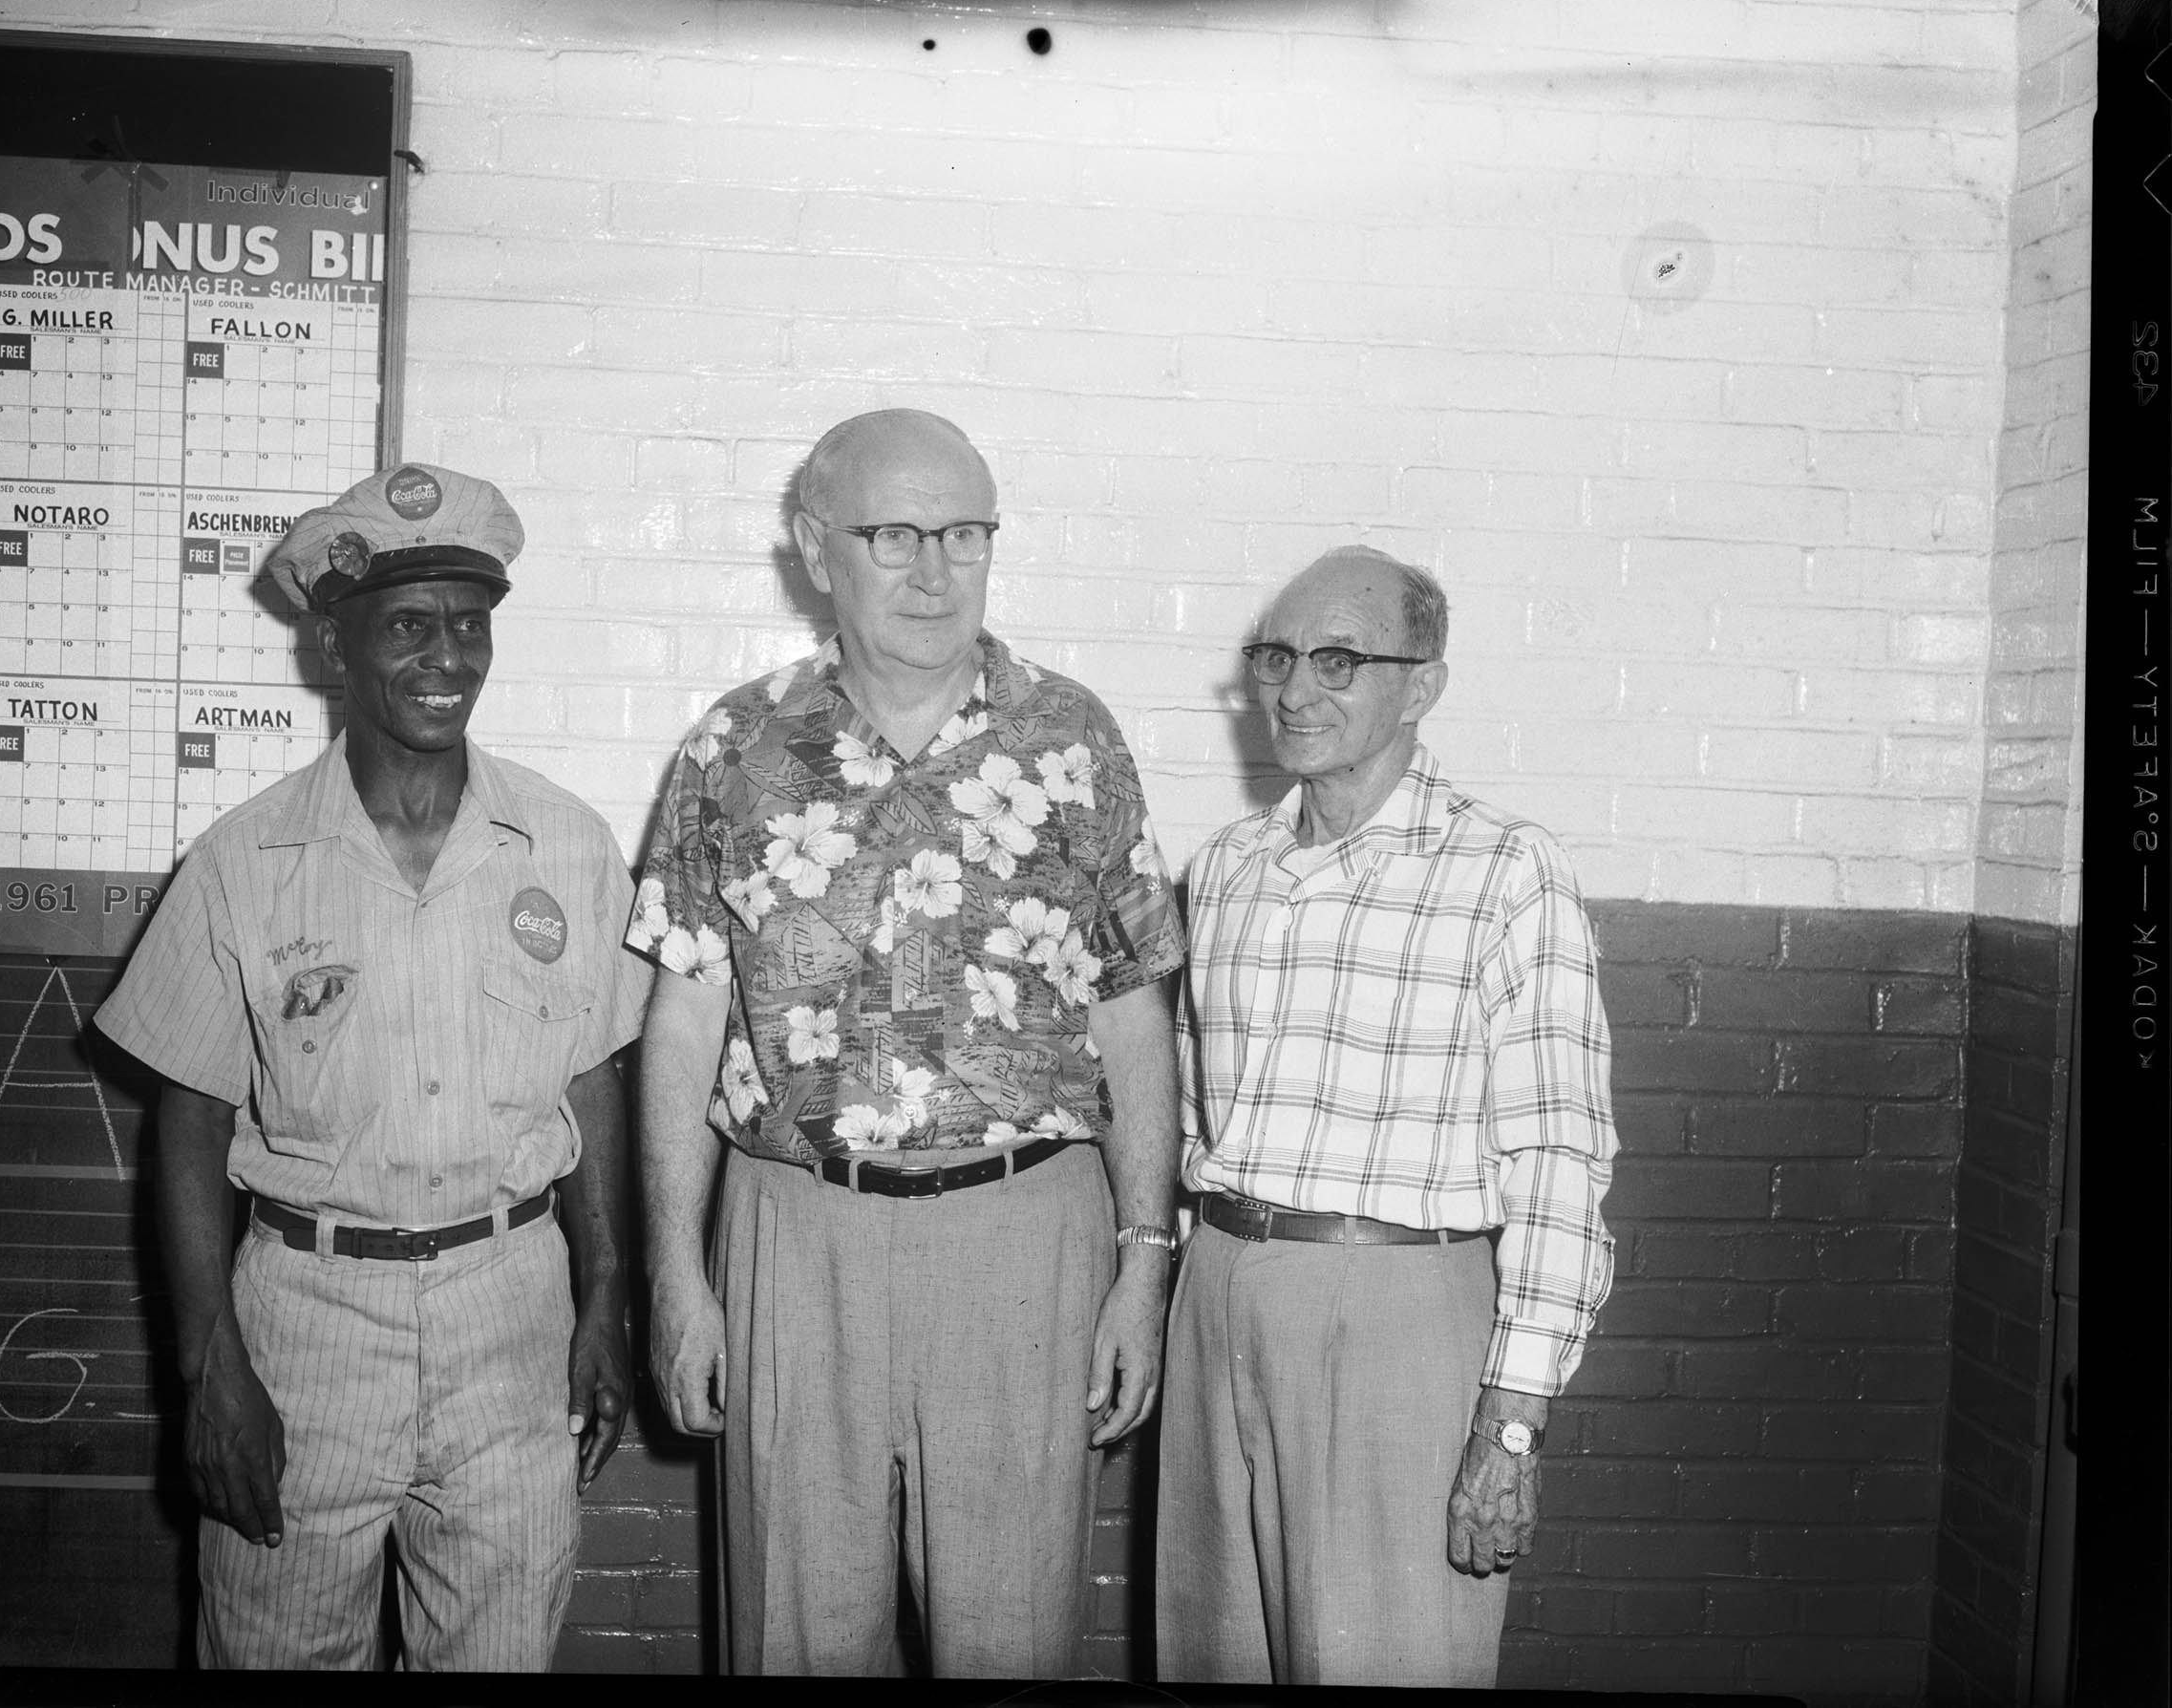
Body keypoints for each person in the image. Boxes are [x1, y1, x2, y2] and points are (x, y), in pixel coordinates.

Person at [629, 408, 1185, 1677]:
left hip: (1021, 1239)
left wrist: (1145, 1264)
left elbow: (1132, 1012)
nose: (937, 569)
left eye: (966, 533)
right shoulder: (736, 746)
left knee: (1011, 1637)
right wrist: (675, 1271)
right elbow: (680, 1019)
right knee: (793, 1635)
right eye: (896, 534)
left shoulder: (1074, 740)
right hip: (792, 1232)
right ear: (815, 549)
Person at [95, 463, 650, 1669]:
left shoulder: (566, 841)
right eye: (408, 626)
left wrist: (606, 1293)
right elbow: (187, 1125)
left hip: (513, 1311)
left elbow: (594, 1081)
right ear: (334, 642)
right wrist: (212, 1368)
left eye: (469, 624)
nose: (446, 657)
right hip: (306, 1323)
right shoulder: (245, 860)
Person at [1157, 545, 1617, 1688]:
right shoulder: (1223, 868)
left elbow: (1560, 1157)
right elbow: (1187, 1111)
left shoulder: (1510, 872)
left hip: (1402, 1311)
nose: (1294, 691)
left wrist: (1510, 1420)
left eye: (1338, 660)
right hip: (1219, 1295)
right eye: (1276, 658)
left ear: (1422, 685)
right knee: (1212, 1660)